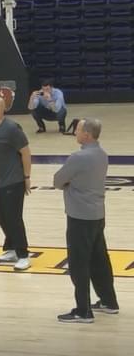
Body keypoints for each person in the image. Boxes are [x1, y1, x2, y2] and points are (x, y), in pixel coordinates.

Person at [52, 118, 119, 323]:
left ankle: (83, 311)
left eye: (78, 130)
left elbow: (57, 181)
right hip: (98, 215)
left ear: (87, 134)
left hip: (79, 216)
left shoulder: (78, 157)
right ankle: (109, 302)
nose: (75, 132)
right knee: (100, 259)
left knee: (79, 263)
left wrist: (69, 184)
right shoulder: (102, 154)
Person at [0, 96, 32, 271]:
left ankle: (24, 255)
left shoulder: (12, 128)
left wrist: (27, 177)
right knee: (1, 216)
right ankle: (10, 248)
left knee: (14, 219)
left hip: (14, 181)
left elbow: (25, 153)